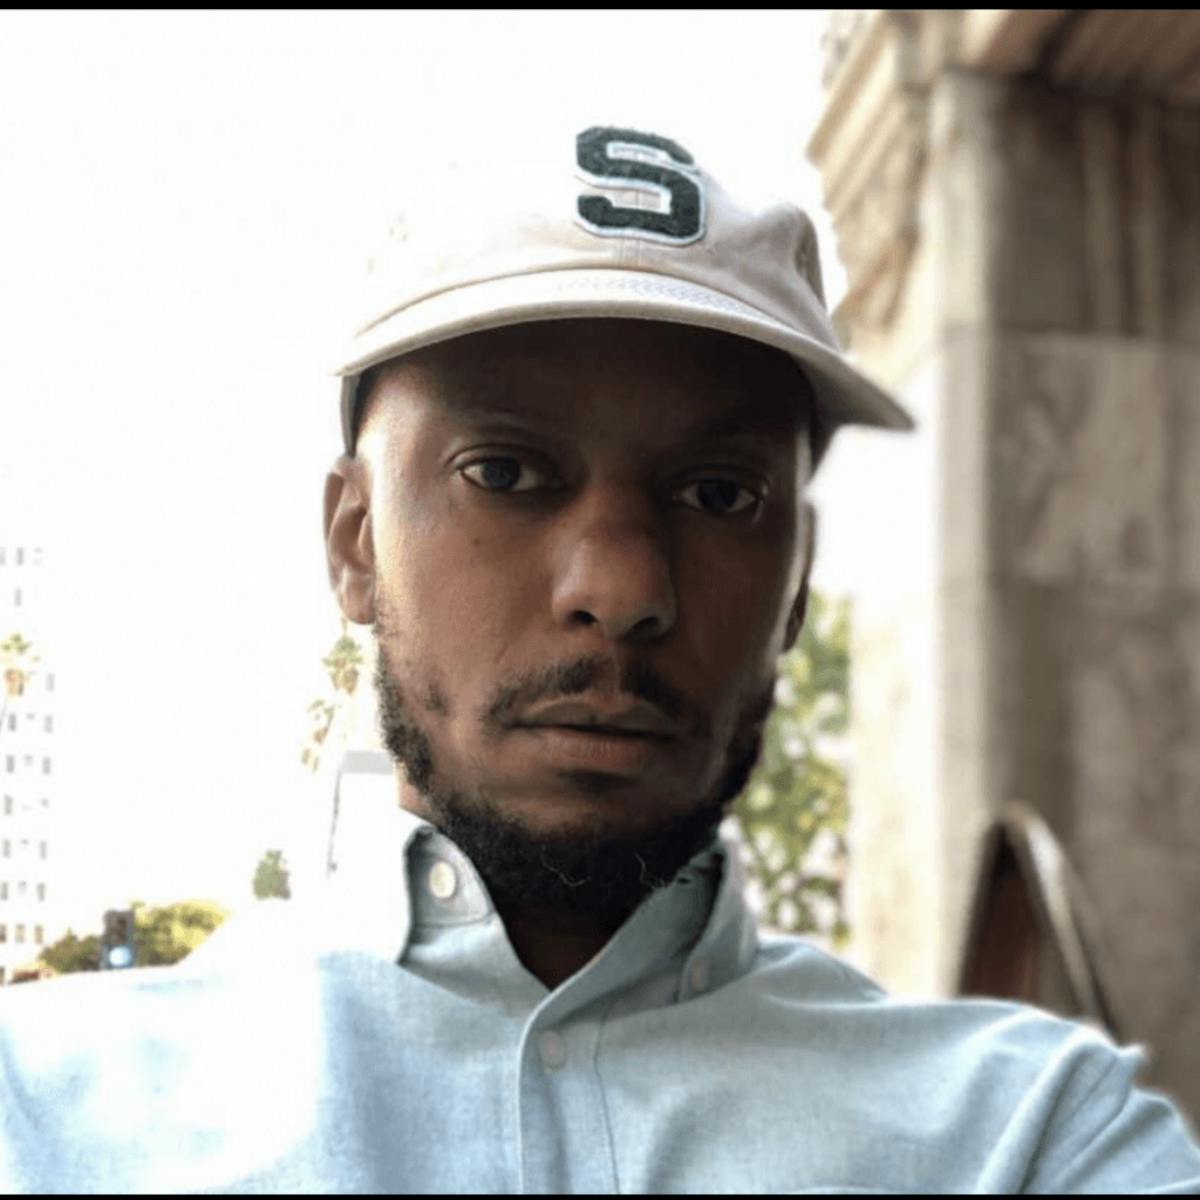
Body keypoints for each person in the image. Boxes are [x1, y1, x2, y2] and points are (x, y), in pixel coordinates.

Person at [2, 124, 1198, 1194]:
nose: (622, 589)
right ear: (355, 543)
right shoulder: (46, 1116)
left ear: (795, 583)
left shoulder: (1032, 1137)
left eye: (719, 494)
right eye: (505, 473)